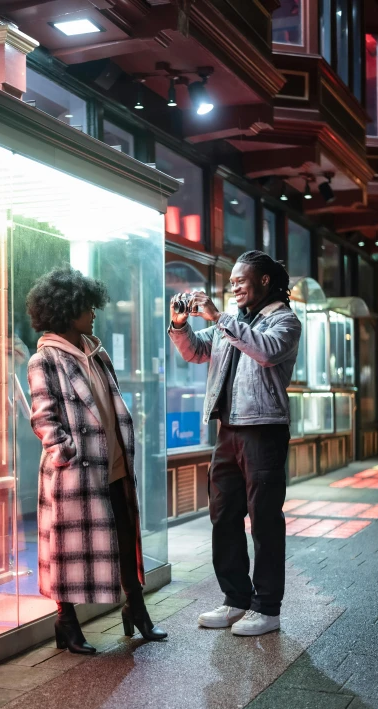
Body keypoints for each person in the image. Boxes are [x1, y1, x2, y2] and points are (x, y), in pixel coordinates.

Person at [27, 268, 167, 655]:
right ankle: (66, 621)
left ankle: (135, 609)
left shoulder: (95, 350)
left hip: (114, 465)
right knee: (67, 549)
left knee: (124, 541)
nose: (94, 313)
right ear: (67, 310)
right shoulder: (46, 359)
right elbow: (43, 416)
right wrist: (65, 453)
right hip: (76, 473)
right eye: (87, 307)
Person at [169, 251, 301, 636]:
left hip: (264, 430)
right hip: (227, 430)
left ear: (263, 282)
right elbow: (196, 351)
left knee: (264, 521)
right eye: (232, 282)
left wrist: (220, 317)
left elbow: (266, 351)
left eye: (241, 281)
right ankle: (235, 600)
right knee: (223, 516)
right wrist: (179, 325)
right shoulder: (233, 323)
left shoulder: (284, 320)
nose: (234, 287)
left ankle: (267, 608)